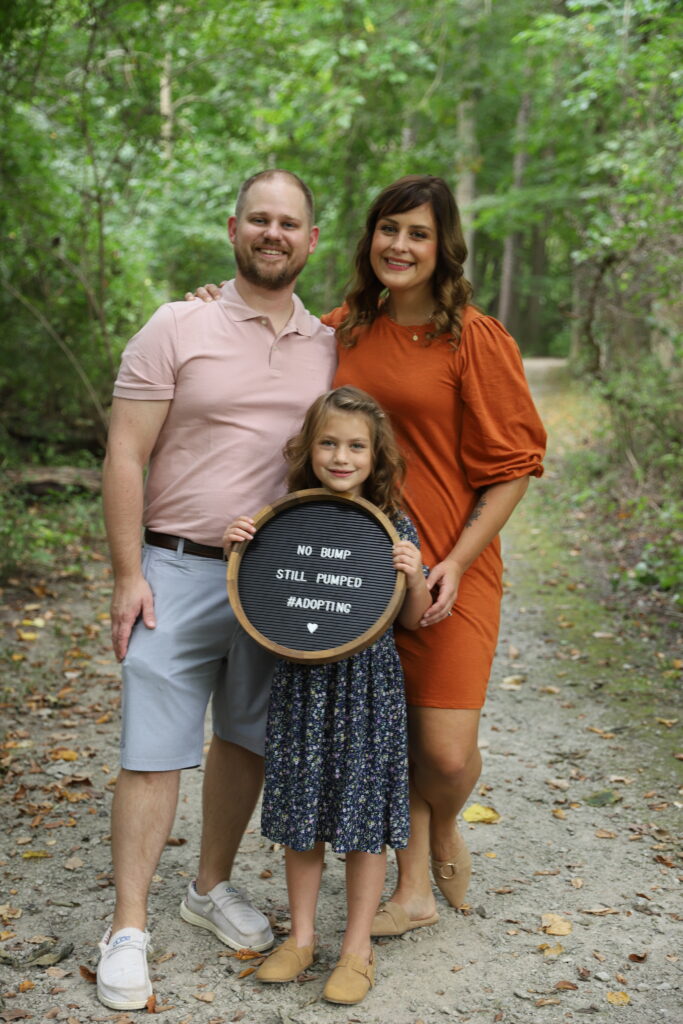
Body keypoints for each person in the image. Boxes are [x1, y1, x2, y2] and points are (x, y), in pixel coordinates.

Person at [189, 173, 546, 937]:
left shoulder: (474, 338)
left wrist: (454, 561)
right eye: (389, 229)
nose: (400, 245)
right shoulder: (343, 328)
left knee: (445, 756)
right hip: (350, 569)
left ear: (442, 247)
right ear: (368, 239)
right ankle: (411, 888)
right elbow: (269, 344)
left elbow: (513, 467)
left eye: (418, 233)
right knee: (391, 728)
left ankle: (444, 821)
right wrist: (209, 310)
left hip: (445, 565)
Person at [97, 170, 337, 1011]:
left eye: (291, 224)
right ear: (234, 229)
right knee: (153, 747)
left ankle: (208, 888)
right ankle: (128, 927)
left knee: (245, 737)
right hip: (173, 565)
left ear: (313, 243)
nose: (274, 234)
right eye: (260, 220)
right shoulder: (177, 324)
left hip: (274, 579)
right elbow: (125, 453)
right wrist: (128, 574)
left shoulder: (331, 343)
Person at [225, 386, 432, 1005]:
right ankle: (303, 938)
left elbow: (416, 620)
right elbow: (259, 600)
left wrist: (414, 574)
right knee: (301, 816)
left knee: (363, 818)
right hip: (302, 686)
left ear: (377, 456)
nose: (342, 456)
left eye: (356, 446)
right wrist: (239, 547)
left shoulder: (392, 526)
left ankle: (357, 948)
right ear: (309, 448)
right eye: (329, 443)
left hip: (367, 690)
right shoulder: (283, 520)